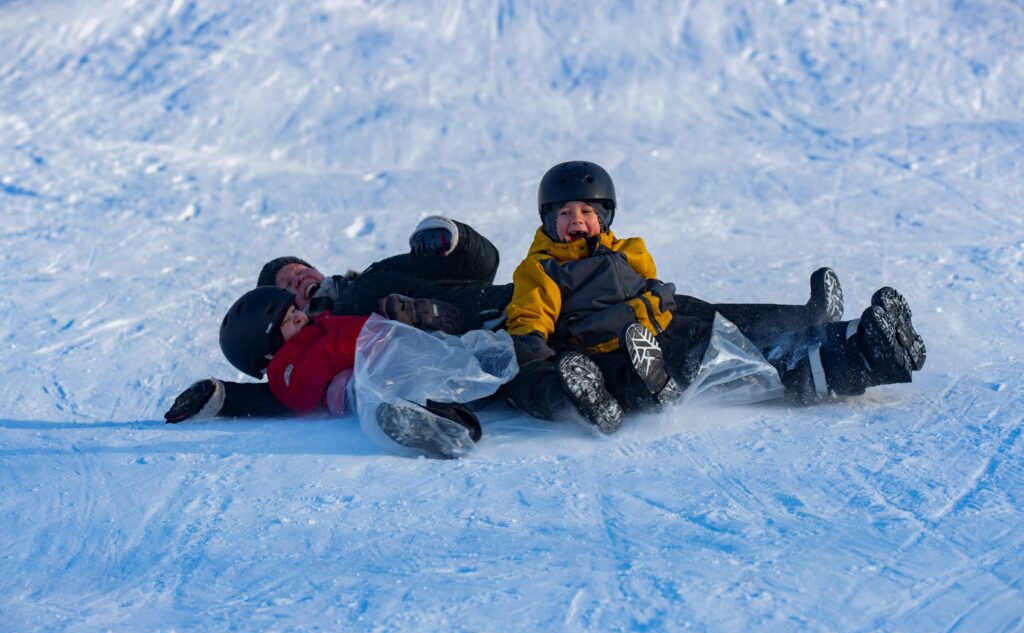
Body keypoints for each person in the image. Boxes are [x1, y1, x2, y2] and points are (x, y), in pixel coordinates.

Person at [165, 215, 847, 424]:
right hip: (489, 346)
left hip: (516, 305)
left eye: (298, 273)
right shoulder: (319, 342)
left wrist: (449, 241)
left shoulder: (373, 279)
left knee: (674, 309)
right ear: (278, 312)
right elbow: (291, 388)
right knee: (656, 342)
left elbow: (479, 264)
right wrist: (225, 399)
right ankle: (800, 370)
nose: (301, 284)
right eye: (286, 288)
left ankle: (808, 326)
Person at [499, 160, 927, 432]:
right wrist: (545, 366)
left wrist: (665, 302)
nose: (577, 221)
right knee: (723, 361)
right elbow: (528, 322)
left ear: (605, 216)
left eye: (587, 212)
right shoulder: (540, 268)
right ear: (548, 220)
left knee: (728, 326)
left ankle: (855, 336)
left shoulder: (628, 250)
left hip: (663, 329)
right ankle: (653, 385)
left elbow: (649, 283)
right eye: (566, 213)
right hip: (614, 347)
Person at [216, 286, 490, 458]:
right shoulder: (283, 370)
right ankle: (441, 426)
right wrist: (359, 337)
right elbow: (305, 385)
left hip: (386, 354)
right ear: (267, 350)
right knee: (367, 396)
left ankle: (443, 414)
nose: (300, 315)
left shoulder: (317, 327)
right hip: (356, 381)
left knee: (431, 374)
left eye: (294, 310)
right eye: (288, 321)